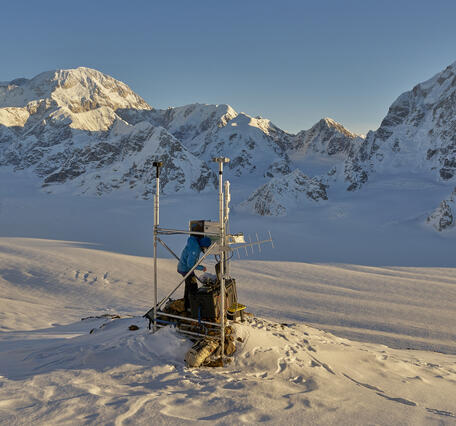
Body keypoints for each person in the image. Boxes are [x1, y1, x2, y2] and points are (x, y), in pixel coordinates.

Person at [177, 233, 212, 312]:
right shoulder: (195, 249)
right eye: (206, 248)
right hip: (185, 269)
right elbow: (190, 264)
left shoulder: (195, 243)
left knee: (189, 286)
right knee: (193, 287)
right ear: (203, 246)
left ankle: (187, 305)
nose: (206, 250)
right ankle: (191, 307)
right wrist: (202, 268)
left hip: (185, 268)